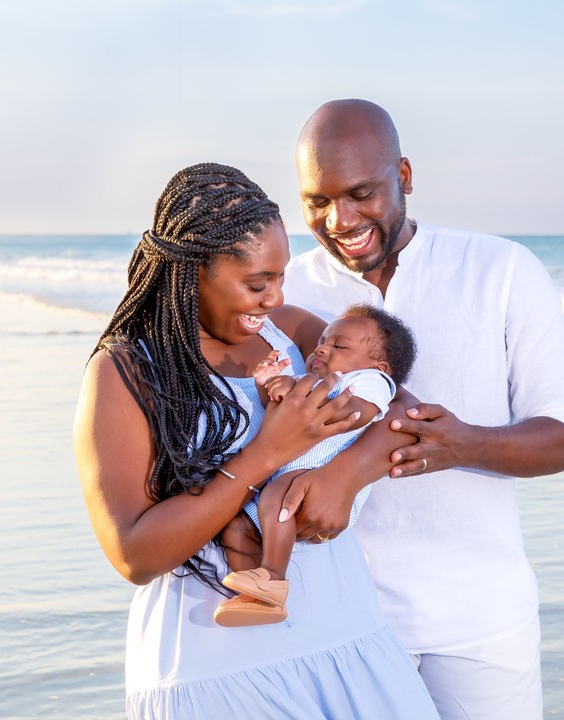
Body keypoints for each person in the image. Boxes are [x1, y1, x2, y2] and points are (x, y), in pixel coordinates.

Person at [73, 162, 437, 718]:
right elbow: (133, 555)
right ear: (193, 271)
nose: (274, 297)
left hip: (344, 633)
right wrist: (268, 452)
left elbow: (399, 403)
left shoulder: (289, 331)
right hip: (215, 665)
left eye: (282, 277)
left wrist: (345, 474)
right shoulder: (126, 372)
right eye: (257, 283)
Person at [278, 99, 564, 719]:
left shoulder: (501, 270)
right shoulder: (286, 288)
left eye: (360, 193)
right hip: (333, 625)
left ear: (405, 177)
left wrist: (466, 444)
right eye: (317, 200)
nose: (339, 219)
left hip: (480, 622)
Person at [214, 303, 417, 627]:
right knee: (235, 526)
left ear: (379, 365)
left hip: (320, 470)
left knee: (278, 496)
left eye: (338, 345)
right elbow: (280, 416)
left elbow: (352, 414)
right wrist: (271, 386)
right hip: (288, 467)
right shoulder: (309, 378)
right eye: (323, 340)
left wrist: (296, 392)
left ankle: (272, 574)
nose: (322, 347)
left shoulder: (370, 381)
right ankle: (258, 596)